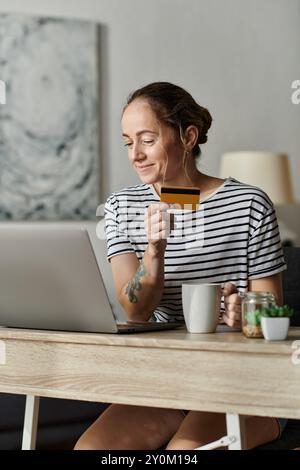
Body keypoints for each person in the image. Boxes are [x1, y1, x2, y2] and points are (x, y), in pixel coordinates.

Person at [74, 82, 287, 450]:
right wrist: (154, 252)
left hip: (244, 383)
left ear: (188, 136)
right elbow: (136, 310)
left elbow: (271, 315)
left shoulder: (249, 203)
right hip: (165, 380)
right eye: (128, 142)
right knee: (91, 450)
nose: (135, 155)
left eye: (147, 139)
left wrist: (245, 320)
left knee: (184, 453)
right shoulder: (122, 207)